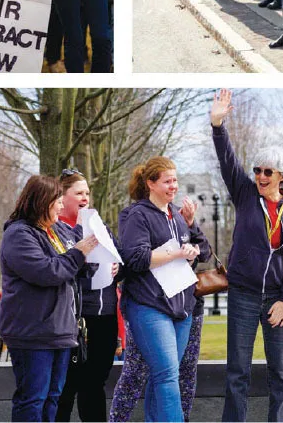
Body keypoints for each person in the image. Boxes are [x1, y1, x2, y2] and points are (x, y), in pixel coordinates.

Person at [210, 89, 283, 423]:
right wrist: (218, 126)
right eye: (257, 170)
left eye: (268, 172)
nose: (261, 177)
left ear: (282, 176)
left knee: (280, 372)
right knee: (237, 371)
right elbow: (227, 161)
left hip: (277, 298)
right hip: (243, 294)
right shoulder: (245, 194)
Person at [0, 174, 99, 422]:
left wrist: (93, 259)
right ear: (42, 202)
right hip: (32, 332)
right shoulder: (19, 235)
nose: (62, 206)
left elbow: (78, 262)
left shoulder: (58, 230)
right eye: (58, 201)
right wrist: (79, 255)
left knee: (53, 397)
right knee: (33, 399)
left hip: (60, 330)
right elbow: (47, 272)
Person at [116, 156, 210, 422]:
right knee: (167, 374)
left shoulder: (178, 216)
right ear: (151, 183)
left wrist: (190, 238)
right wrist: (177, 253)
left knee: (165, 375)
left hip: (181, 306)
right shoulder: (137, 215)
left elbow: (204, 251)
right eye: (168, 181)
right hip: (149, 304)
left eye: (175, 180)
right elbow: (136, 258)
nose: (174, 186)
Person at [55, 170, 120, 423]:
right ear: (62, 197)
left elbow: (123, 259)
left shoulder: (99, 226)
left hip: (105, 315)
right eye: (79, 193)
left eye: (87, 193)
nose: (85, 198)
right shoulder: (55, 229)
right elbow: (56, 270)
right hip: (75, 318)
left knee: (95, 384)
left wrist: (117, 268)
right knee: (67, 385)